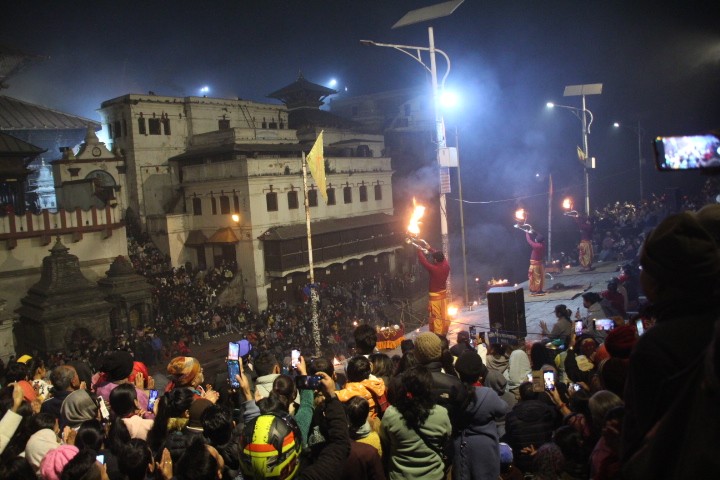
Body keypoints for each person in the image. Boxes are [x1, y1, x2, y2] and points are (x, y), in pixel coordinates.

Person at [380, 366, 451, 480]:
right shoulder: (441, 413)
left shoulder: (391, 414)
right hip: (434, 475)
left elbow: (385, 442)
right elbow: (446, 441)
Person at [453, 351, 510, 480]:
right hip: (485, 448)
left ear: (459, 373)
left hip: (461, 446)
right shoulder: (488, 394)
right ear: (479, 373)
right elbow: (503, 409)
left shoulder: (454, 394)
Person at [416, 246, 451, 335]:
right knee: (444, 315)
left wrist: (419, 250)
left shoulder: (435, 269)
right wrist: (430, 248)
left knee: (437, 317)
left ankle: (439, 337)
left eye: (433, 259)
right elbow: (438, 254)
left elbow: (424, 262)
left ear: (435, 260)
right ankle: (444, 332)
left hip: (435, 297)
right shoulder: (446, 265)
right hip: (443, 296)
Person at [525, 231, 546, 295]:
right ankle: (538, 289)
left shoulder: (536, 246)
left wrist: (526, 233)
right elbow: (540, 235)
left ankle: (537, 290)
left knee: (535, 277)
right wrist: (533, 231)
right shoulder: (543, 244)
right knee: (541, 277)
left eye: (536, 239)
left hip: (535, 264)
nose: (535, 239)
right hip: (540, 263)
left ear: (537, 240)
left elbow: (529, 240)